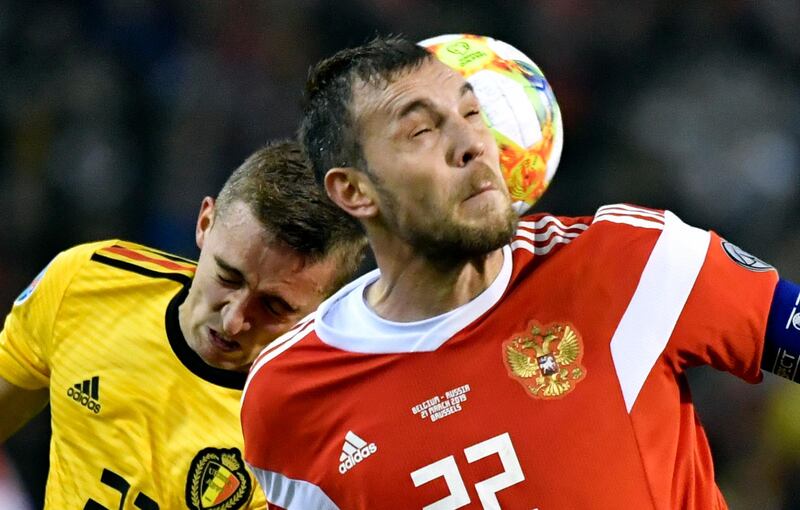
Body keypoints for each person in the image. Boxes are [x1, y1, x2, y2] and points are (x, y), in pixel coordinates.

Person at [240, 36, 800, 509]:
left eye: (471, 112)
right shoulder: (288, 401)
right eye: (422, 132)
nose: (472, 145)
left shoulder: (630, 261)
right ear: (353, 191)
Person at [0, 140, 367, 509]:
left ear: (329, 305)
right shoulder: (84, 283)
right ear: (205, 223)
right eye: (228, 276)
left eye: (274, 307)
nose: (234, 319)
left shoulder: (331, 435)